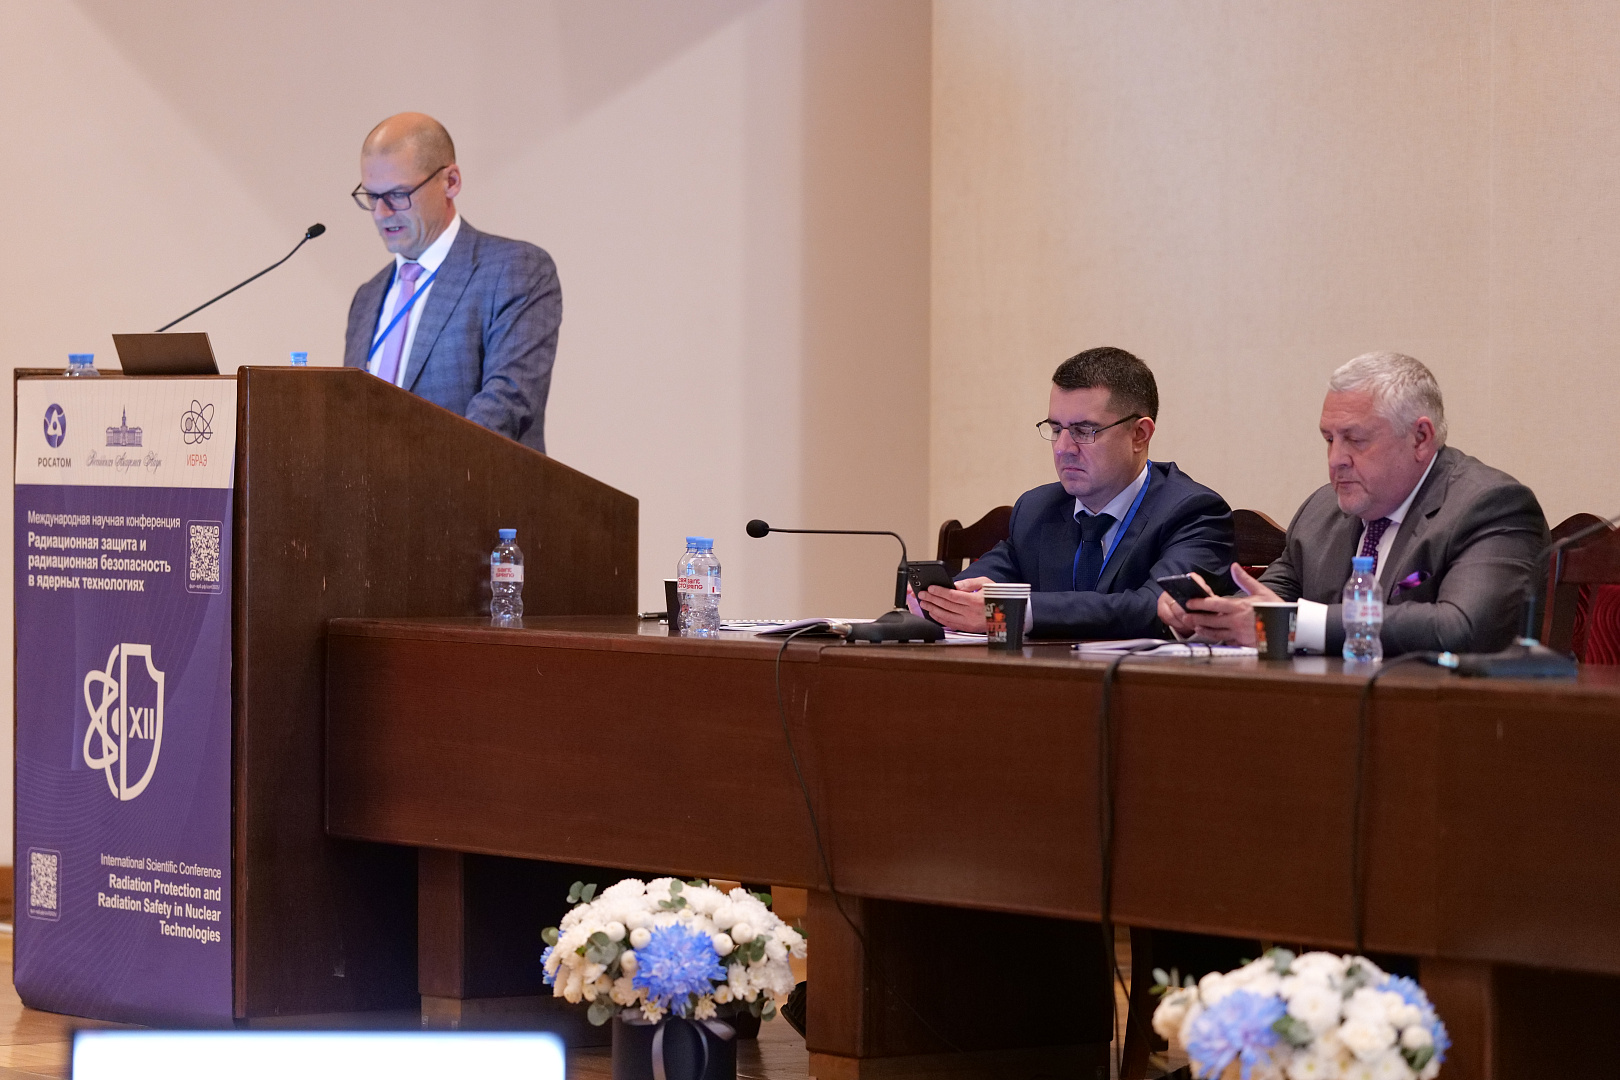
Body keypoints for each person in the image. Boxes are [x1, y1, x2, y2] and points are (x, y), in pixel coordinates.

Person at [1161, 351, 1549, 655]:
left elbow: (1462, 627)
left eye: (1355, 440)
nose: (1335, 460)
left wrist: (1294, 625)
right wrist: (1209, 616)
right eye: (1329, 439)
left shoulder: (1491, 507)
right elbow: (1270, 601)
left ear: (1420, 438)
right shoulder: (1321, 510)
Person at [917, 347, 1234, 639]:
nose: (1062, 448)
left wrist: (1015, 612)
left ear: (1139, 434)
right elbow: (986, 579)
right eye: (1056, 429)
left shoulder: (1193, 511)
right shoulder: (1038, 508)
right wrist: (946, 599)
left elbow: (1156, 607)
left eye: (1084, 431)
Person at [343, 113, 561, 453]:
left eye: (398, 194)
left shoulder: (514, 270)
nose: (381, 213)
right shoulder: (367, 297)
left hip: (473, 485)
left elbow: (507, 401)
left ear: (451, 181)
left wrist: (411, 471)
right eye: (372, 196)